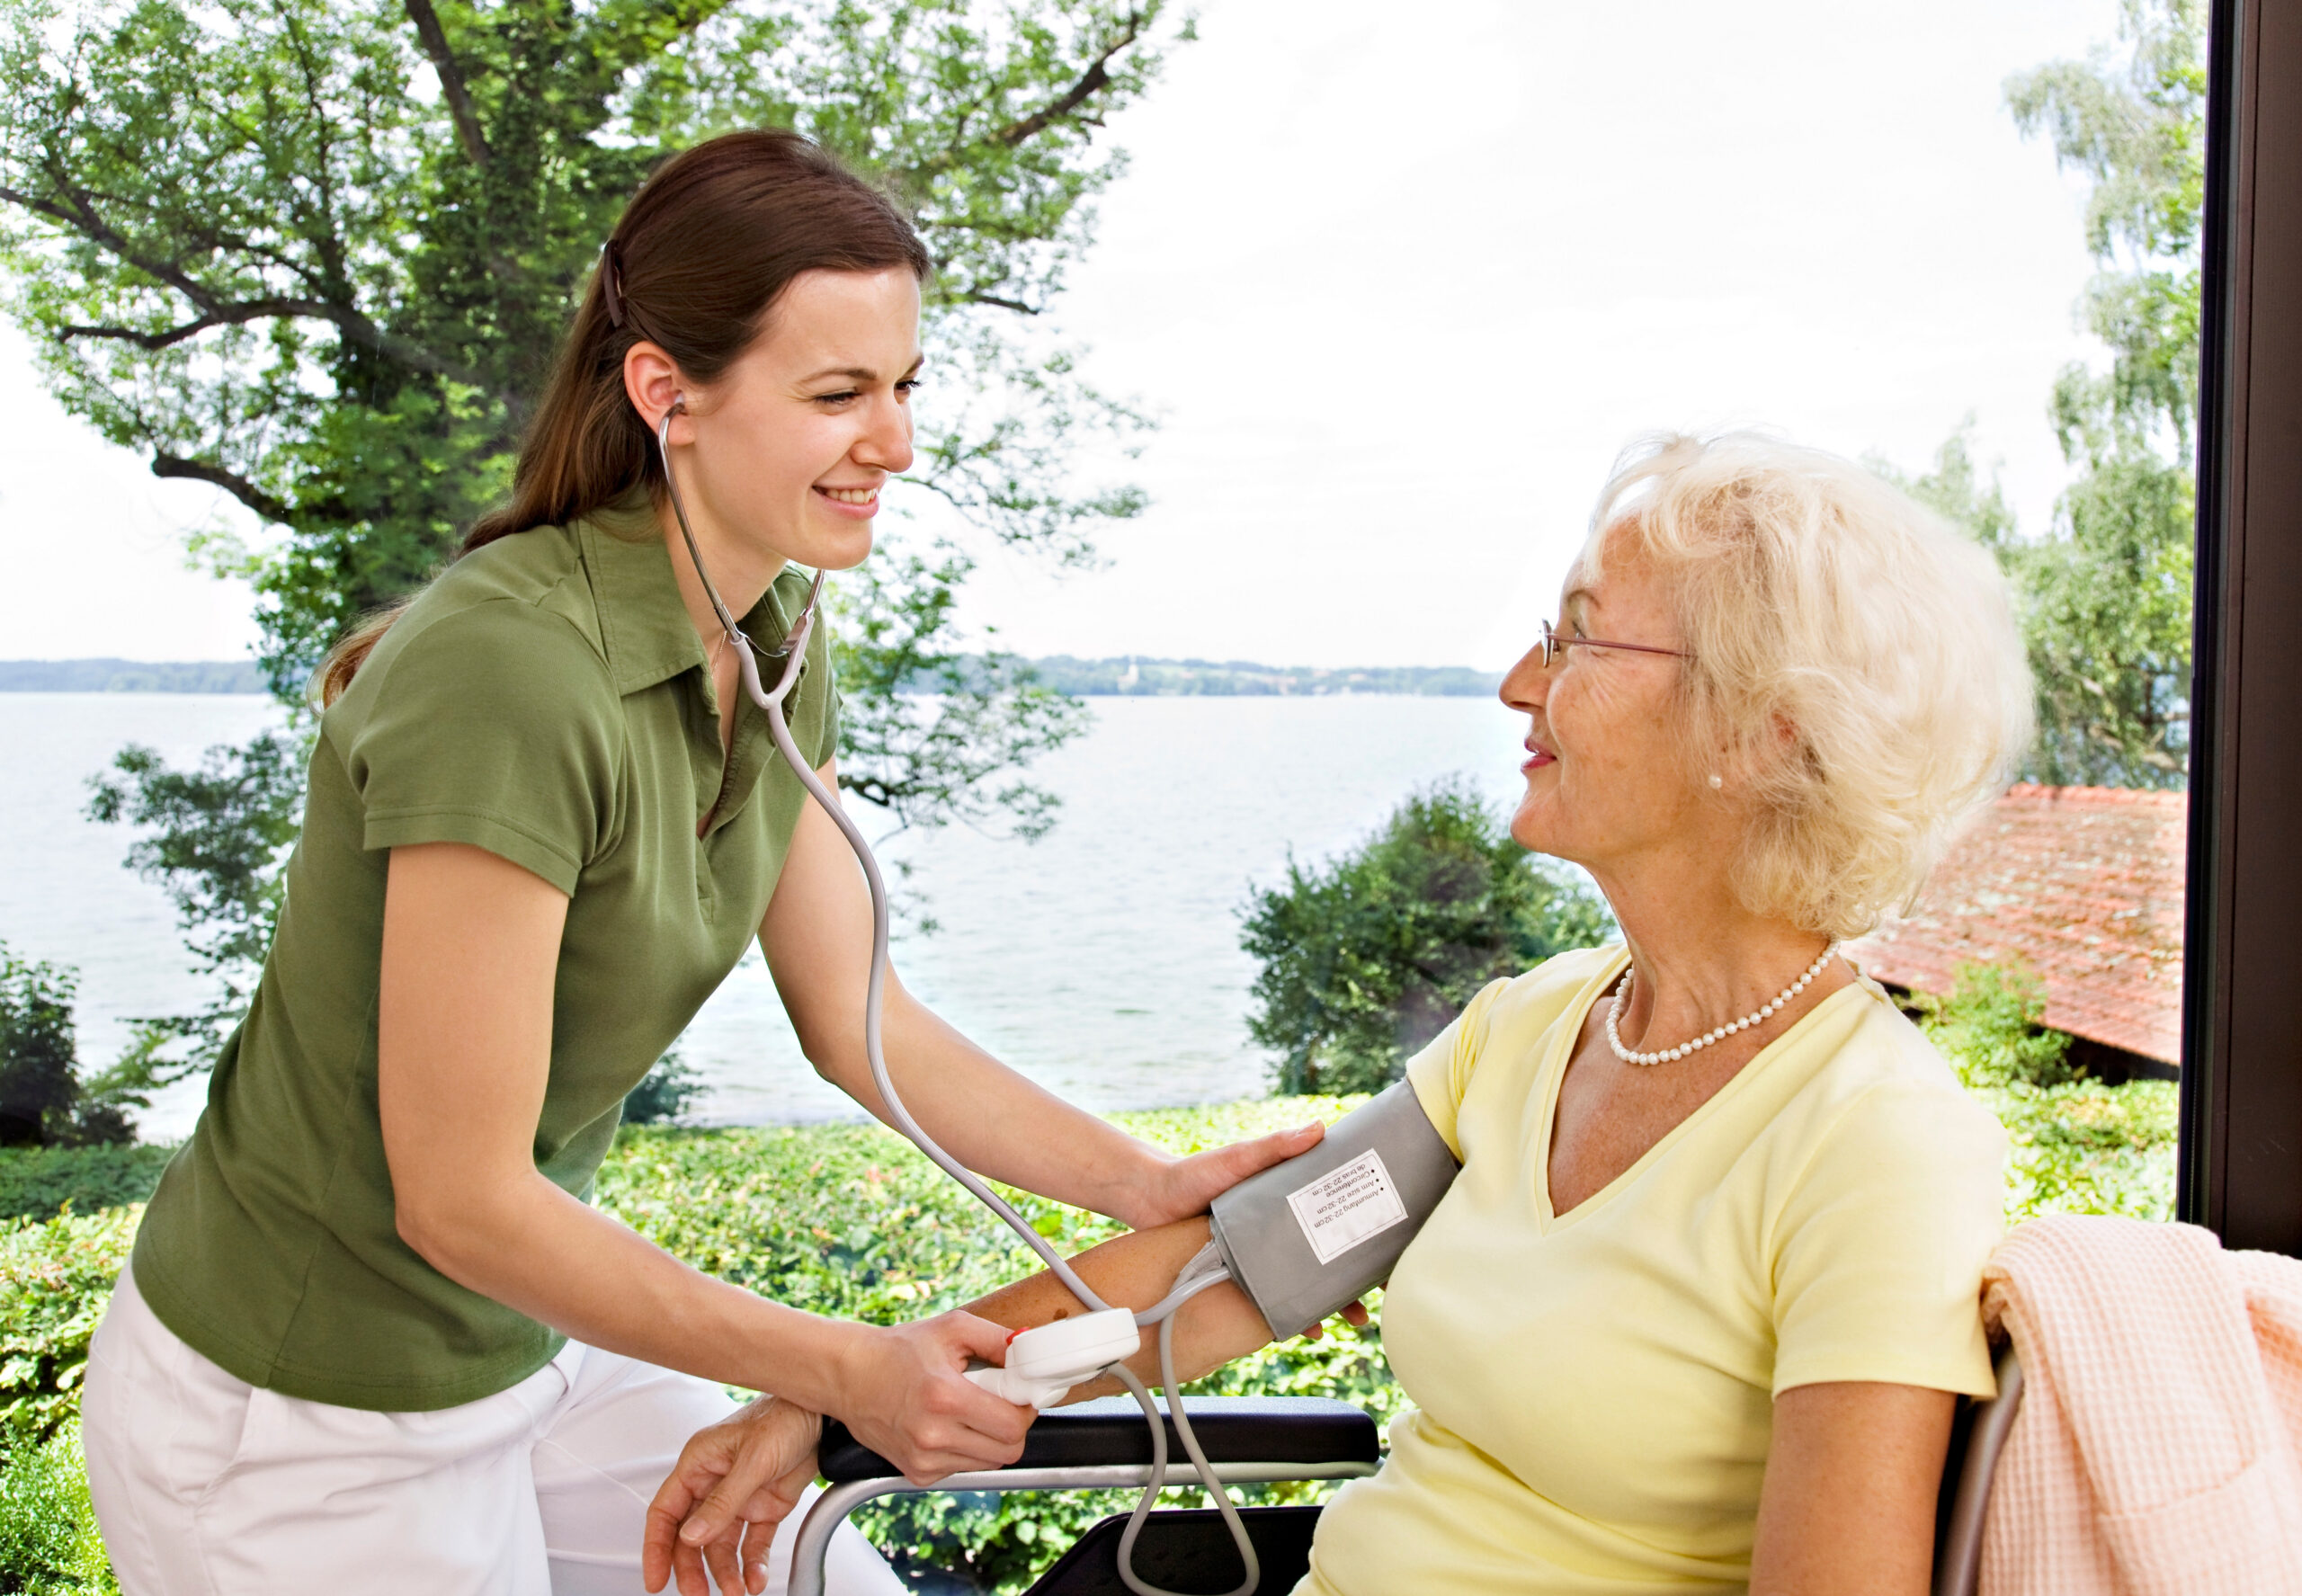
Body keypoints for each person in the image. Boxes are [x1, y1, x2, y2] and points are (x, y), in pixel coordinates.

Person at [76, 129, 1332, 1596]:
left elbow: (865, 1024)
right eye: (839, 394)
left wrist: (1147, 1181)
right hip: (300, 1417)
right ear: (667, 392)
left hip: (524, 1354)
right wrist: (851, 1370)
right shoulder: (509, 670)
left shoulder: (781, 640)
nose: (899, 443)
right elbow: (460, 1195)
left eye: (905, 385)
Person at [656, 432, 2032, 1596]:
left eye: (1578, 638)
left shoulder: (1877, 1148)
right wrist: (837, 1395)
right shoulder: (1538, 1026)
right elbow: (1238, 1272)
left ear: (1763, 732)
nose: (1516, 683)